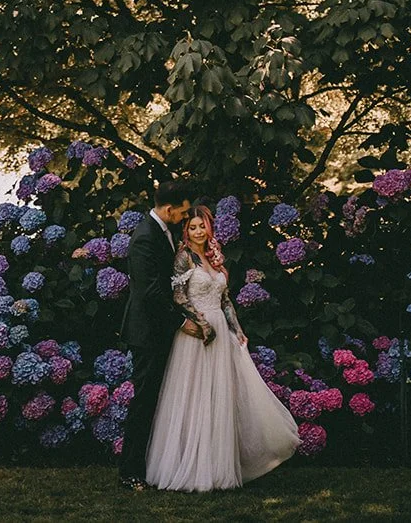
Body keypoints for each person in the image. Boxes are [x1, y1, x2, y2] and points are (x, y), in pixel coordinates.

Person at [145, 205, 300, 492]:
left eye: (202, 226)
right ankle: (192, 467)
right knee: (195, 398)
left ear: (209, 228)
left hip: (222, 331)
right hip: (197, 335)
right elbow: (179, 297)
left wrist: (237, 330)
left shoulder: (213, 259)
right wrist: (200, 323)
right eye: (192, 227)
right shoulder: (184, 258)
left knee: (221, 399)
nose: (198, 231)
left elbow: (225, 300)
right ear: (186, 231)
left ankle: (219, 466)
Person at [117, 177, 193, 490]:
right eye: (183, 212)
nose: (186, 217)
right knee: (144, 400)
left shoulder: (164, 231)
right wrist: (181, 321)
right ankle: (130, 472)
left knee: (155, 400)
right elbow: (150, 291)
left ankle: (153, 464)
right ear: (168, 208)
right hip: (147, 332)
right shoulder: (145, 237)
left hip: (157, 330)